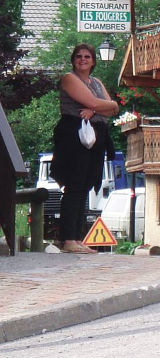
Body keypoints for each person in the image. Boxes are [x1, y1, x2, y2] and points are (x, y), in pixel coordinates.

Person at [50, 43, 119, 253]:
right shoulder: (70, 78)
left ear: (93, 61)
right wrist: (97, 106)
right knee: (75, 185)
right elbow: (102, 104)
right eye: (79, 56)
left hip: (95, 136)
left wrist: (94, 108)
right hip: (74, 136)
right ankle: (68, 238)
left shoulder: (96, 82)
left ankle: (77, 238)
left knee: (86, 185)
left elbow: (114, 108)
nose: (82, 59)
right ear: (73, 60)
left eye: (87, 56)